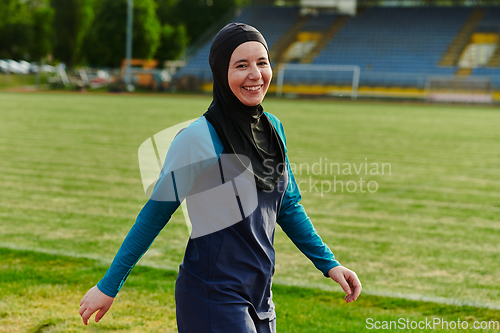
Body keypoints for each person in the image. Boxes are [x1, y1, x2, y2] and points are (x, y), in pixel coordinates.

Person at [79, 23, 362, 333]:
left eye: (262, 62)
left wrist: (329, 264)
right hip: (210, 296)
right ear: (220, 72)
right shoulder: (197, 138)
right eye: (241, 65)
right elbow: (153, 216)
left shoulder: (273, 128)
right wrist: (109, 286)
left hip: (261, 295)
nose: (255, 74)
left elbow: (287, 206)